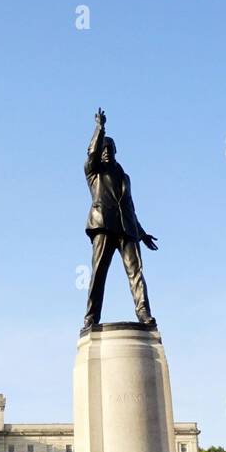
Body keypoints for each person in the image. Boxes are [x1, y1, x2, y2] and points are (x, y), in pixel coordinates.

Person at [82, 108, 158, 332]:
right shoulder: (93, 172)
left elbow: (130, 207)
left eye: (109, 148)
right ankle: (91, 318)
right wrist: (100, 128)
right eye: (102, 148)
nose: (105, 151)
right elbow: (91, 154)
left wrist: (141, 233)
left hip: (127, 228)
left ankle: (143, 312)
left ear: (115, 150)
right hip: (103, 224)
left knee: (136, 273)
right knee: (98, 273)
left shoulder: (125, 177)